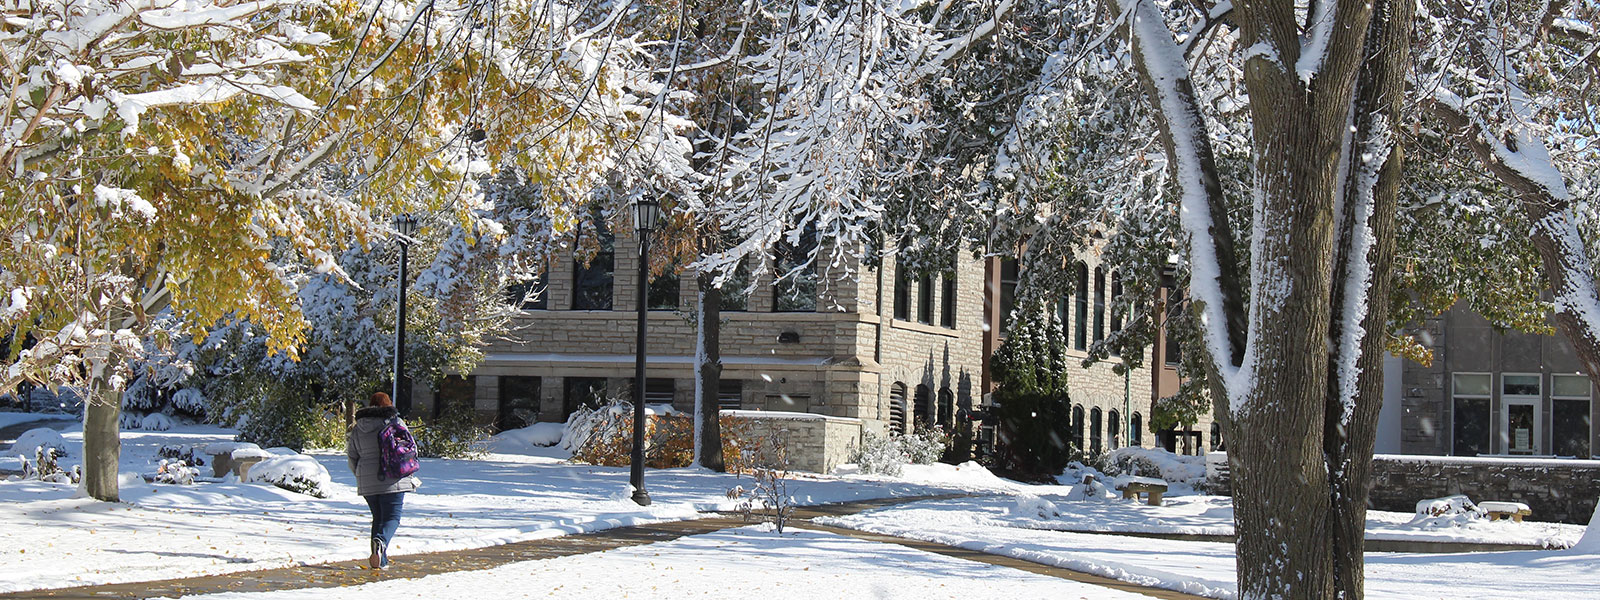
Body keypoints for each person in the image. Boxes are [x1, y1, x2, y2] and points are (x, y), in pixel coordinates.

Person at [347, 392, 419, 569]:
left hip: (367, 479)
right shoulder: (396, 423)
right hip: (393, 477)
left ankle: (380, 560)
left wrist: (360, 475)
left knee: (378, 518)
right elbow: (411, 448)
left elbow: (352, 456)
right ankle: (381, 541)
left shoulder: (358, 428)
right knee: (392, 517)